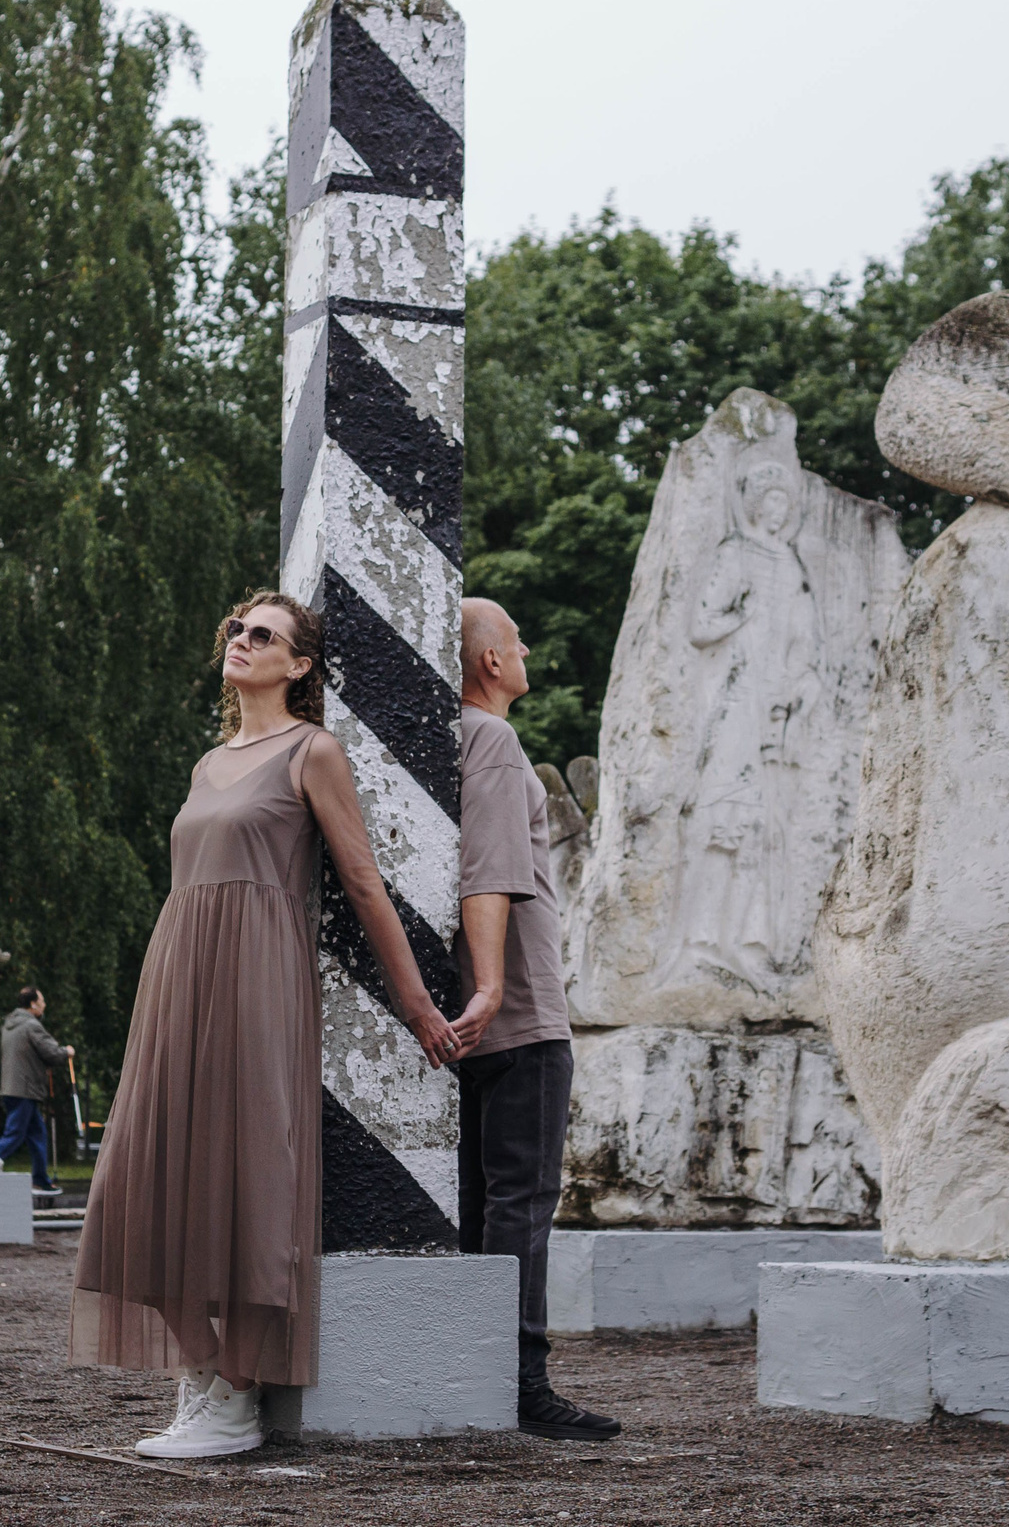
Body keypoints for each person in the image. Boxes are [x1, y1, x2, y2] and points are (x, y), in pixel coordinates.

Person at [70, 590, 459, 1459]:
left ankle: (237, 1399)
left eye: (262, 634)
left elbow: (363, 883)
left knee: (252, 1181)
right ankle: (207, 1372)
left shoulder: (312, 750)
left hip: (258, 980)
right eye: (236, 629)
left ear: (299, 665)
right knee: (137, 1180)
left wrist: (417, 1005)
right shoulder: (208, 763)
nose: (241, 641)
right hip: (179, 976)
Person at [450, 598, 620, 1441]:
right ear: (491, 661)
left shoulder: (448, 740)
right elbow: (489, 870)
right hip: (518, 1012)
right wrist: (493, 987)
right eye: (517, 643)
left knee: (482, 1202)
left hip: (483, 1010)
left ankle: (482, 1372)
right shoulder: (491, 739)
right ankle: (519, 1379)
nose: (528, 655)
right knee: (521, 1202)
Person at [0, 986, 68, 1194]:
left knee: (37, 1135)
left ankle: (40, 1180)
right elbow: (51, 1052)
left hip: (12, 1088)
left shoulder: (9, 1025)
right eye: (42, 1001)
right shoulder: (31, 1025)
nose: (44, 1005)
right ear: (33, 1004)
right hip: (25, 1090)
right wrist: (67, 1052)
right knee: (14, 1136)